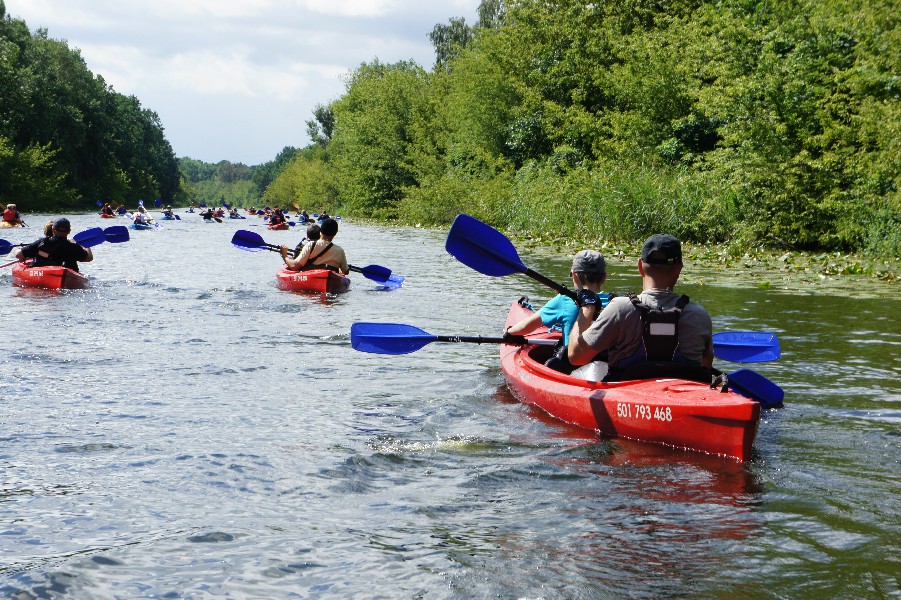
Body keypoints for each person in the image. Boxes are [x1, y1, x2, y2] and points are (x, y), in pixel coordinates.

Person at [567, 234, 713, 383]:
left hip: (626, 398)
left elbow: (576, 356)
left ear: (640, 267)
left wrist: (587, 307)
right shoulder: (699, 315)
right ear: (679, 269)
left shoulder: (619, 308)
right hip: (683, 398)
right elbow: (706, 365)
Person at [504, 250, 608, 374]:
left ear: (574, 276)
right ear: (603, 278)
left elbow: (527, 327)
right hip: (607, 366)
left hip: (571, 368)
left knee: (552, 363)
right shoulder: (614, 301)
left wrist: (510, 333)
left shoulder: (564, 300)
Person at [16, 217, 93, 271]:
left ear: (53, 230)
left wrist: (21, 253)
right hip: (66, 273)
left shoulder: (42, 243)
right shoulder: (74, 246)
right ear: (69, 231)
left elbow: (19, 255)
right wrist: (87, 246)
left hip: (44, 273)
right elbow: (89, 258)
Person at [280, 217, 348, 274]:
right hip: (331, 280)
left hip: (310, 278)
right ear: (335, 233)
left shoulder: (310, 245)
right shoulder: (340, 250)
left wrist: (284, 255)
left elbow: (294, 266)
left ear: (320, 232)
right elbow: (345, 271)